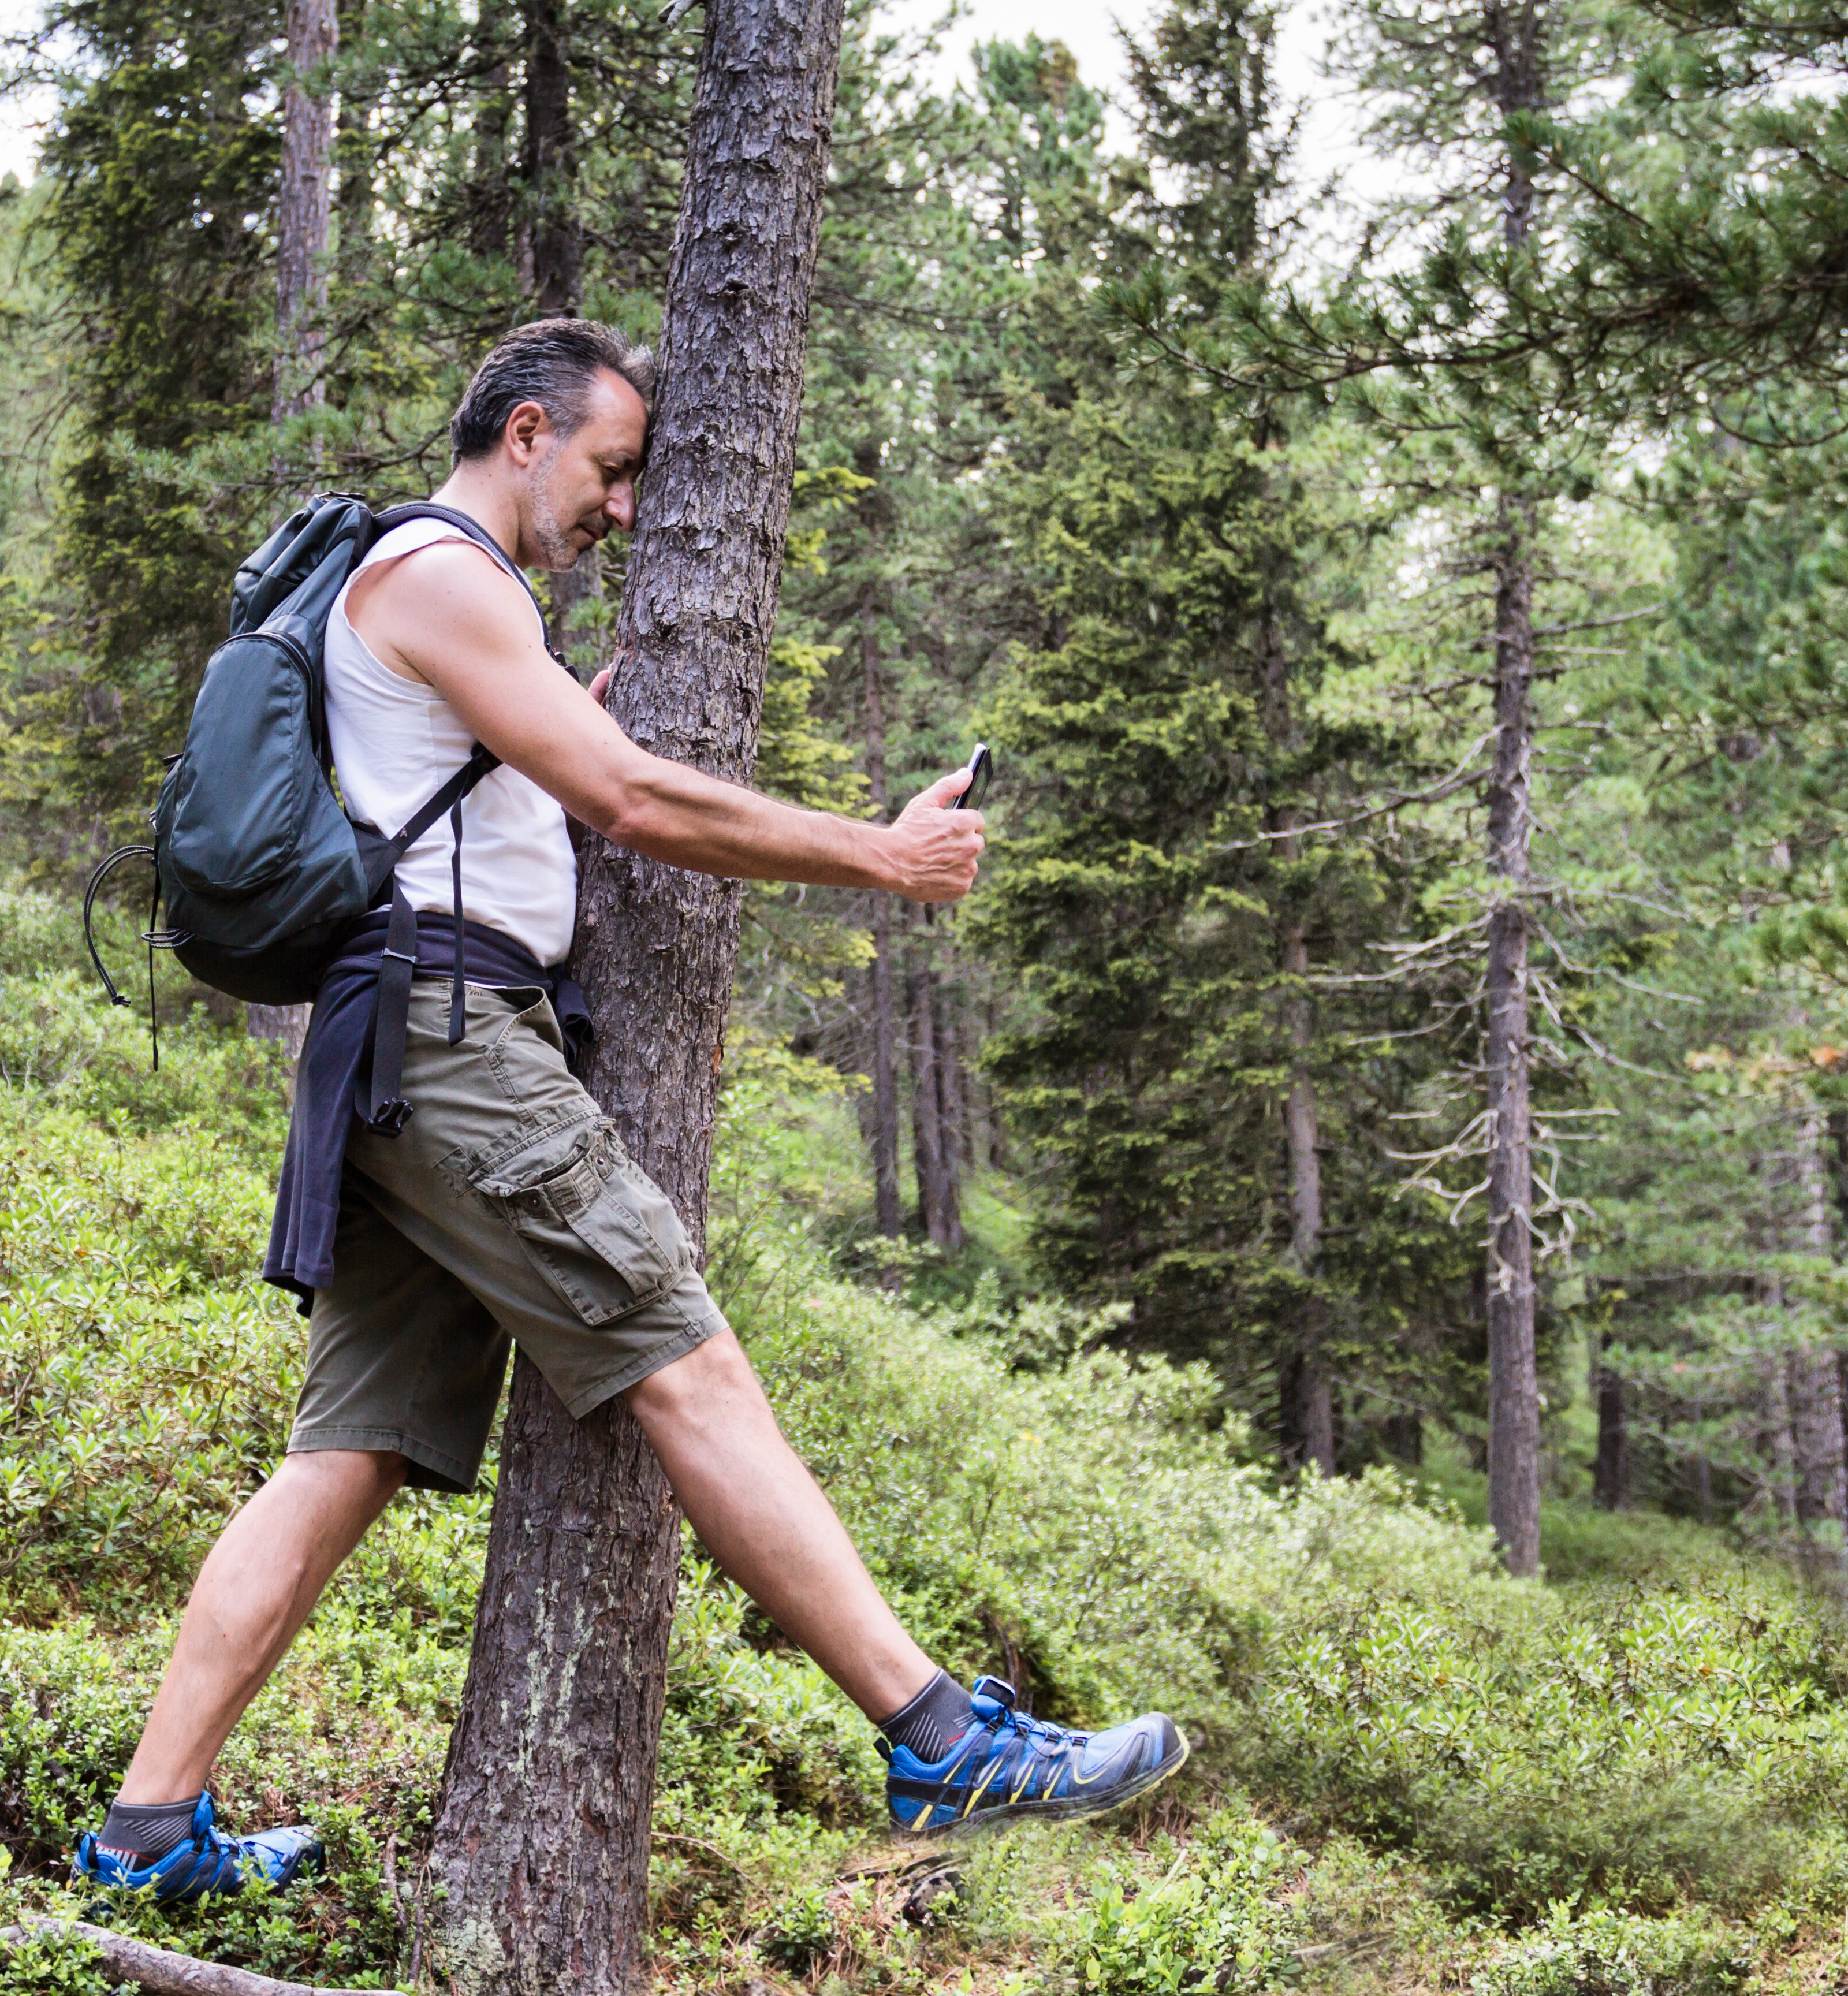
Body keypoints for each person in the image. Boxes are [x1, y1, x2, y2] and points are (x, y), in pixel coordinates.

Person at [74, 319, 1184, 1901]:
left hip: (394, 1047)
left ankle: (144, 1838)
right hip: (452, 1042)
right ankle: (941, 1739)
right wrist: (878, 855)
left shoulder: (459, 611)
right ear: (525, 434)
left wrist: (546, 724)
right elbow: (634, 799)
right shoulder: (447, 573)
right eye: (608, 470)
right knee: (681, 1346)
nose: (623, 510)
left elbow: (485, 798)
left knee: (351, 1448)